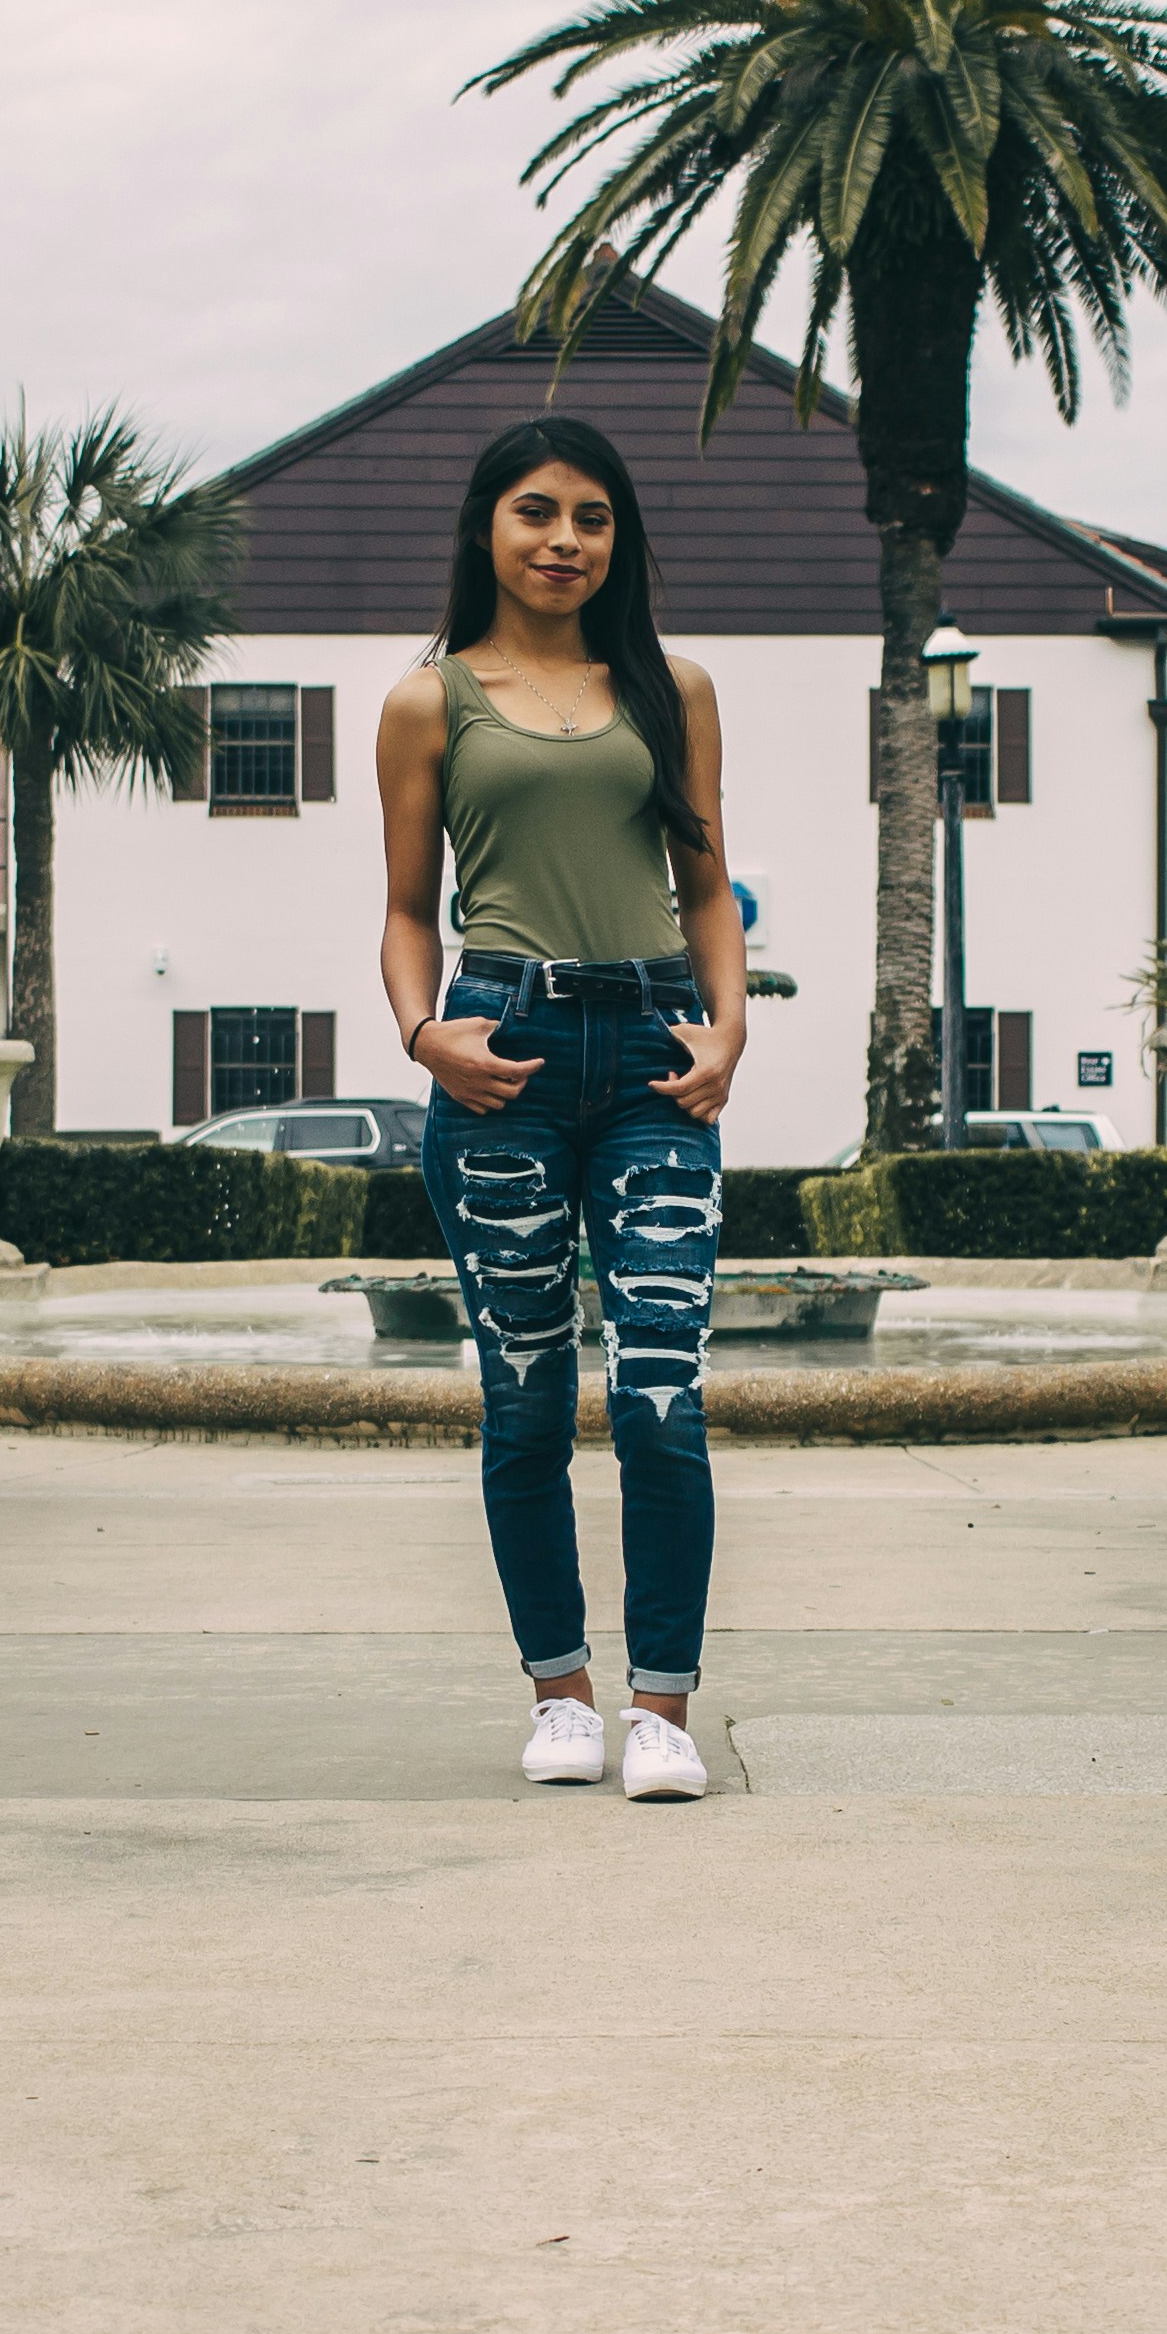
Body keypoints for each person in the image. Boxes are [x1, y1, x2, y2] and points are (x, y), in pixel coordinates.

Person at [376, 418, 751, 1802]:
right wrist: (427, 1037)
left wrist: (729, 1032)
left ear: (620, 539)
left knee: (661, 1388)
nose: (564, 541)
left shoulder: (673, 687)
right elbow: (408, 911)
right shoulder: (431, 701)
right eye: (536, 512)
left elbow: (707, 888)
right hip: (504, 1059)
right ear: (488, 526)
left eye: (592, 517)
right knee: (527, 1394)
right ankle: (561, 1693)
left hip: (656, 1055)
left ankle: (663, 1707)